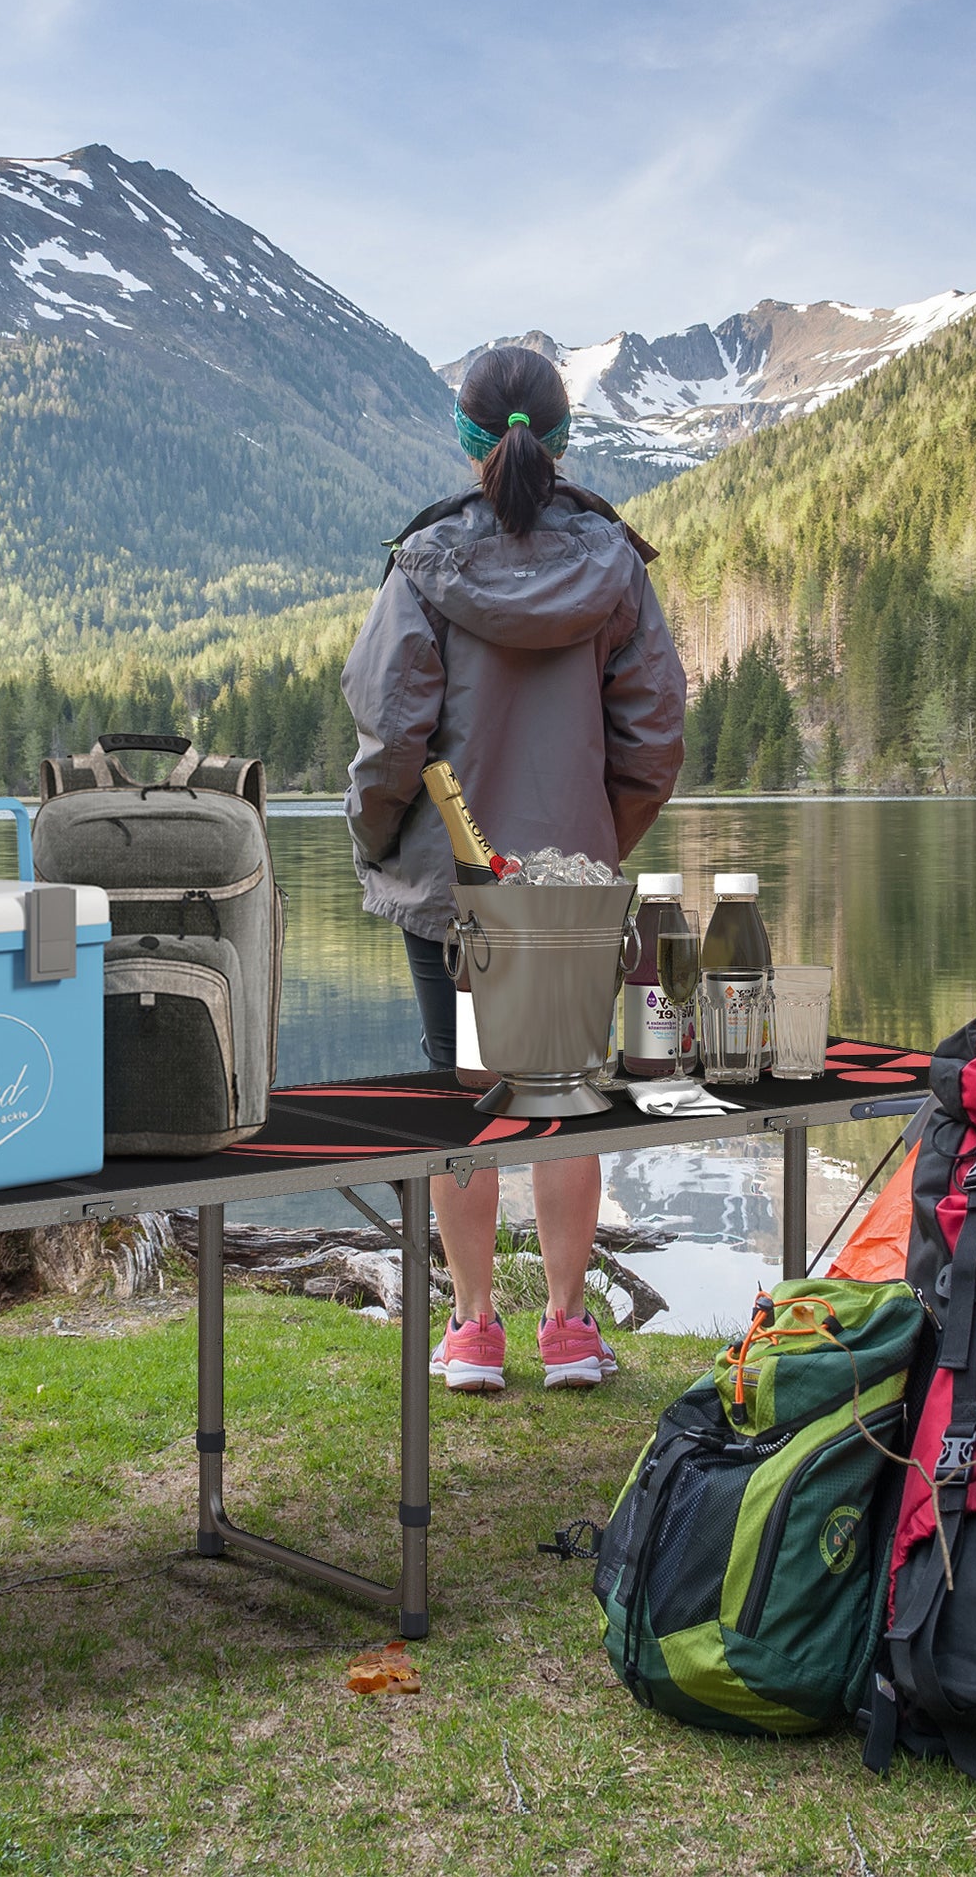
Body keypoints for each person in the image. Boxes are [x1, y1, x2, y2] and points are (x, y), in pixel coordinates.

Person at [341, 344, 686, 1392]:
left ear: (465, 436)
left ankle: (474, 1330)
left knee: (465, 1100)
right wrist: (588, 842)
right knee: (563, 1095)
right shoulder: (614, 564)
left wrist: (376, 832)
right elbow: (654, 734)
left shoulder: (425, 563)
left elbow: (390, 731)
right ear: (559, 434)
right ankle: (571, 1330)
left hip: (451, 880)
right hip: (570, 878)